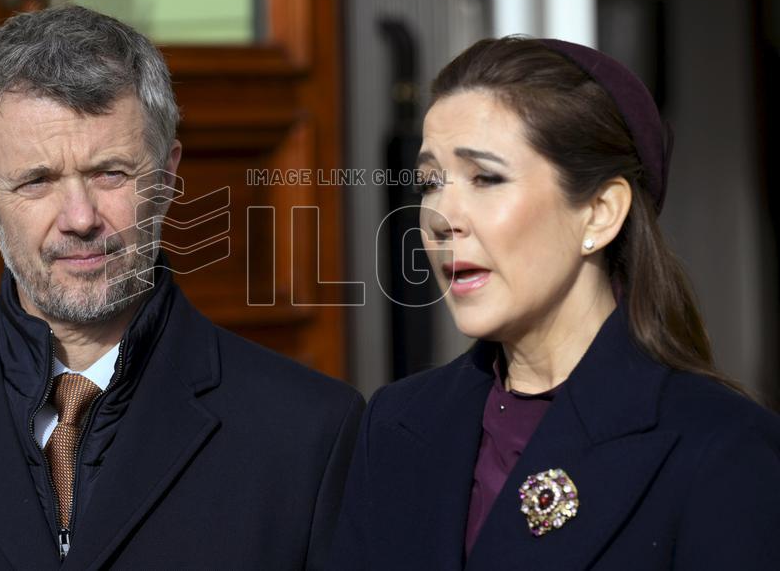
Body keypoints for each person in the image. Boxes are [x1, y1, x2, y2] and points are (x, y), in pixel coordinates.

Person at [0, 5, 364, 570]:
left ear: (168, 176)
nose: (79, 217)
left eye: (110, 173)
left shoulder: (309, 434)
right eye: (37, 180)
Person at [328, 36, 780, 570]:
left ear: (599, 213)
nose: (440, 218)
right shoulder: (398, 424)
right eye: (430, 183)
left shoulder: (722, 448)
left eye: (485, 178)